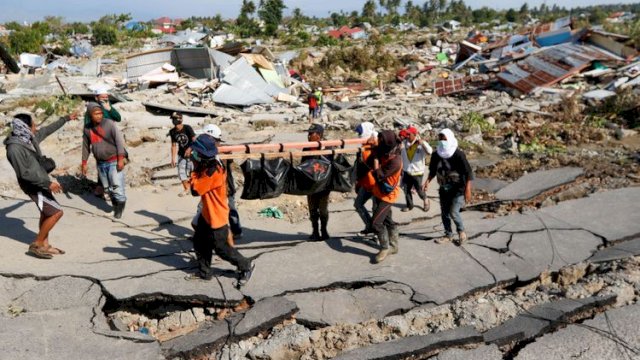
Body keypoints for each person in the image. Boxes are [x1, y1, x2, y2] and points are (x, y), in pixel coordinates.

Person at [4, 111, 78, 259]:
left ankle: (45, 245)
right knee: (56, 212)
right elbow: (24, 174)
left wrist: (65, 118)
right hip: (34, 186)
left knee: (46, 213)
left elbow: (47, 130)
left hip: (40, 182)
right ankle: (37, 244)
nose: (36, 127)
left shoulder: (29, 139)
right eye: (33, 124)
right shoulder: (14, 148)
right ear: (25, 126)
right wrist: (47, 183)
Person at [188, 134, 254, 287]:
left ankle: (245, 266)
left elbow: (195, 190)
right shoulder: (208, 164)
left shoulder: (212, 172)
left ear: (203, 155)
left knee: (222, 249)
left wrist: (193, 169)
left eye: (196, 153)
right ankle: (205, 272)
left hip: (216, 216)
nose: (194, 155)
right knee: (199, 242)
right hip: (207, 214)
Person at [423, 129, 473, 245]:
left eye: (444, 139)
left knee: (453, 212)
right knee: (444, 212)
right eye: (440, 139)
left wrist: (468, 189)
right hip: (444, 188)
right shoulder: (436, 154)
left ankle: (461, 232)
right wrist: (427, 181)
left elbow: (468, 172)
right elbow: (433, 171)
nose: (441, 141)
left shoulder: (458, 154)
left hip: (458, 188)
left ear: (449, 138)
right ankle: (448, 234)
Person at [81, 102, 127, 219]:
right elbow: (85, 146)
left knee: (116, 186)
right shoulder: (87, 129)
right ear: (90, 115)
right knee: (107, 189)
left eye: (100, 113)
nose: (99, 116)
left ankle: (118, 212)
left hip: (113, 161)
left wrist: (120, 159)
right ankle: (115, 208)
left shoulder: (109, 124)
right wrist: (84, 163)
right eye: (96, 114)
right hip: (100, 164)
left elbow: (119, 141)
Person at [202, 124, 243, 240]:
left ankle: (236, 232)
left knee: (231, 209)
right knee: (204, 209)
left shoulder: (224, 151)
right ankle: (205, 233)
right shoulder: (205, 150)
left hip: (225, 187)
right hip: (212, 188)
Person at [370, 130, 403, 263]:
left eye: (381, 140)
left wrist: (376, 160)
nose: (380, 143)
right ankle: (394, 246)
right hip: (379, 191)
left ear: (388, 143)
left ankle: (385, 247)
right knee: (388, 220)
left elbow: (378, 174)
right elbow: (376, 149)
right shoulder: (387, 150)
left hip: (387, 195)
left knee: (376, 223)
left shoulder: (396, 161)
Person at [83, 87, 122, 198]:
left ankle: (108, 188)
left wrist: (109, 109)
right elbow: (88, 126)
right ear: (96, 97)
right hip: (99, 141)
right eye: (102, 97)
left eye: (106, 96)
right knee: (102, 163)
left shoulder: (107, 106)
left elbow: (118, 118)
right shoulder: (92, 109)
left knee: (111, 163)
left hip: (111, 139)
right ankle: (103, 188)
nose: (105, 98)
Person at [304, 123, 331, 241]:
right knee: (312, 209)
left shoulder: (328, 148)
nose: (309, 136)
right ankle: (315, 231)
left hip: (323, 185)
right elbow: (302, 165)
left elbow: (330, 167)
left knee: (323, 209)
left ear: (319, 135)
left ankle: (324, 230)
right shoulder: (305, 148)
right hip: (310, 185)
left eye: (311, 134)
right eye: (308, 134)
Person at [353, 121, 378, 236]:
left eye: (360, 133)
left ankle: (379, 234)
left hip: (376, 184)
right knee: (358, 204)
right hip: (366, 183)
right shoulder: (364, 146)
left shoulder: (376, 145)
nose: (358, 136)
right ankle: (369, 226)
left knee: (376, 210)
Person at [400, 126, 433, 212]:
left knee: (419, 190)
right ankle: (410, 205)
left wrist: (422, 144)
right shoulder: (403, 143)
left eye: (409, 134)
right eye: (406, 134)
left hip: (417, 172)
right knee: (406, 189)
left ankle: (426, 200)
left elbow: (429, 151)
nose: (407, 136)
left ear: (415, 134)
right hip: (407, 171)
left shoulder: (420, 144)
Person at [169, 112, 196, 197]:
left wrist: (190, 148)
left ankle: (195, 188)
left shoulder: (187, 128)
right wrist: (173, 159)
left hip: (192, 154)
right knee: (181, 173)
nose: (173, 120)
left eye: (175, 118)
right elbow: (173, 145)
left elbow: (195, 141)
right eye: (173, 119)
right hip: (181, 154)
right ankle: (186, 189)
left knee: (192, 171)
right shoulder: (172, 131)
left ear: (180, 119)